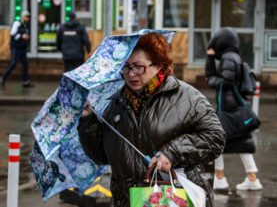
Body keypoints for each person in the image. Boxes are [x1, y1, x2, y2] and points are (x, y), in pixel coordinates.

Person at [78, 32, 226, 207]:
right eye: (125, 67)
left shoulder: (187, 98)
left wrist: (172, 153)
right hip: (128, 201)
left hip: (173, 198)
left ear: (158, 65)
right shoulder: (115, 104)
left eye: (138, 67)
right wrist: (87, 120)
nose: (130, 74)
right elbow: (100, 156)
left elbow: (215, 137)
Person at [205, 27, 263, 191]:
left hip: (230, 110)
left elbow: (227, 82)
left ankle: (220, 177)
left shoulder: (228, 58)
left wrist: (211, 81)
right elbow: (217, 75)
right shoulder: (232, 56)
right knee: (242, 143)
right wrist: (210, 59)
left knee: (217, 142)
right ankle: (252, 178)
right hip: (233, 108)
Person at [0, 10, 33, 88]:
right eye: (27, 17)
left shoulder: (26, 25)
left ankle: (26, 82)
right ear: (23, 17)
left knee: (25, 64)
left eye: (29, 17)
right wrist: (22, 36)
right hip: (16, 47)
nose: (28, 18)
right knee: (13, 63)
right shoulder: (17, 23)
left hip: (22, 47)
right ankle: (3, 77)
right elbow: (12, 35)